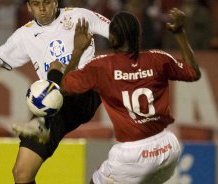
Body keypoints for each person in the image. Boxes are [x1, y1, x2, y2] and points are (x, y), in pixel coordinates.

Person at [0, 0, 110, 183]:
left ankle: (40, 119)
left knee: (56, 66)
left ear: (55, 2)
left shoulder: (80, 16)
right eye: (36, 4)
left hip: (85, 94)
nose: (42, 9)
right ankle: (41, 119)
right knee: (21, 173)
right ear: (29, 7)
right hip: (55, 110)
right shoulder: (25, 34)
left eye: (47, 3)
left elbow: (118, 31)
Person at [60, 8, 201, 184]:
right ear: (138, 36)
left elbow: (64, 87)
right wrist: (179, 33)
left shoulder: (101, 67)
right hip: (168, 147)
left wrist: (77, 50)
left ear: (112, 38)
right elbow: (193, 73)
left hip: (132, 156)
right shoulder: (158, 59)